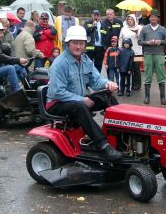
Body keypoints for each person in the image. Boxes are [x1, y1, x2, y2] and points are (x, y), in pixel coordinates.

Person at [46, 25, 122, 161]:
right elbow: (57, 92)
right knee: (80, 106)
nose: (78, 47)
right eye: (75, 43)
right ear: (68, 43)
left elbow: (96, 80)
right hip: (57, 103)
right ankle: (103, 145)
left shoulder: (85, 60)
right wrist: (81, 100)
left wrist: (107, 84)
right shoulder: (60, 64)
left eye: (81, 43)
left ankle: (119, 135)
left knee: (106, 97)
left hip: (77, 100)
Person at [138, 9, 166, 105]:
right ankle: (147, 97)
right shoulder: (144, 29)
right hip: (148, 54)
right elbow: (139, 41)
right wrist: (147, 42)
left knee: (161, 75)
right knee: (147, 76)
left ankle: (163, 98)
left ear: (158, 19)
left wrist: (160, 42)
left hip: (159, 54)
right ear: (149, 18)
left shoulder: (163, 29)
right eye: (151, 17)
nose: (153, 18)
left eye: (155, 17)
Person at [119, 14, 143, 90]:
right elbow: (120, 38)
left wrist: (137, 33)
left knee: (136, 69)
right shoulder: (123, 28)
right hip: (126, 52)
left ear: (134, 20)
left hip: (137, 52)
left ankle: (137, 85)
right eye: (128, 19)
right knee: (127, 68)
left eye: (131, 19)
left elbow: (142, 38)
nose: (130, 20)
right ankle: (128, 83)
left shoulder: (139, 28)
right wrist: (120, 48)